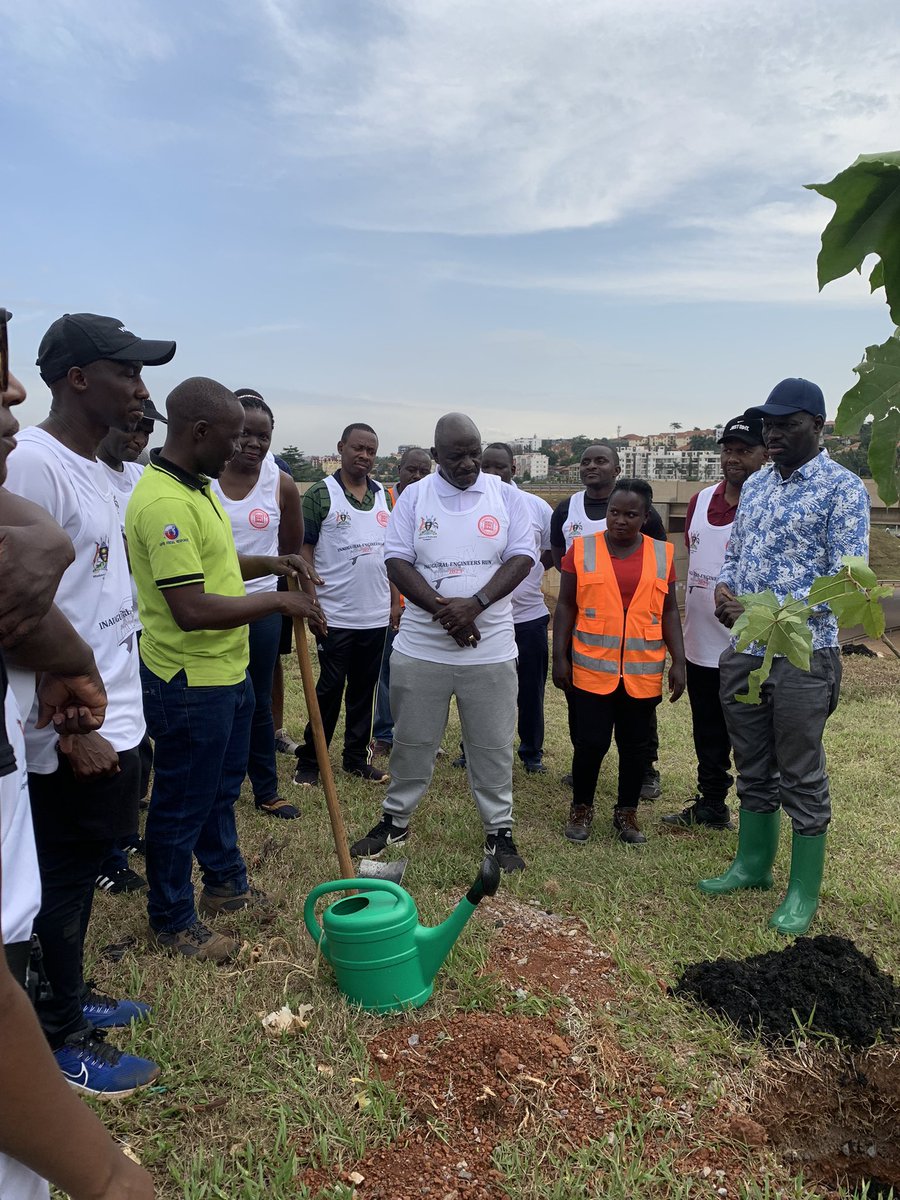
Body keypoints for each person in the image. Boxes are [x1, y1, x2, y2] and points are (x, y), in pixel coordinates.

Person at [4, 312, 171, 1096]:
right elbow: (19, 609)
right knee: (61, 881)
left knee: (80, 874)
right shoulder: (32, 464)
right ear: (77, 379)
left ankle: (67, 996)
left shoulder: (98, 469)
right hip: (62, 731)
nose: (141, 391)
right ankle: (59, 1034)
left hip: (116, 710)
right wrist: (68, 736)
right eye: (126, 373)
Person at [126, 377, 324, 963]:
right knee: (183, 800)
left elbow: (213, 560)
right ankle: (172, 918)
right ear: (200, 432)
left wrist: (269, 561)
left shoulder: (197, 487)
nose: (243, 449)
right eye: (234, 438)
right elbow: (190, 609)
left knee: (218, 789)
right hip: (189, 681)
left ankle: (224, 882)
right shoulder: (163, 501)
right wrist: (279, 601)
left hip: (228, 672)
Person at [700, 379, 870, 935]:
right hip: (745, 649)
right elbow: (739, 554)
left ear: (818, 426)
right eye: (768, 424)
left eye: (787, 424)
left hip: (802, 653)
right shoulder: (757, 487)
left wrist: (769, 611)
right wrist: (726, 595)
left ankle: (802, 890)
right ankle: (752, 865)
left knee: (799, 770)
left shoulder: (841, 490)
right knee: (751, 762)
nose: (772, 434)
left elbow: (848, 583)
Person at [350, 413, 535, 872]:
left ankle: (499, 830)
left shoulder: (505, 495)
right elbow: (395, 560)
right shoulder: (413, 497)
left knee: (492, 744)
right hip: (421, 647)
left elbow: (523, 557)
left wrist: (474, 604)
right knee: (412, 739)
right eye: (457, 456)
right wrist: (443, 610)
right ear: (436, 457)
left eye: (475, 452)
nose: (470, 463)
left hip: (489, 648)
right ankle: (395, 819)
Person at [552, 479, 685, 845]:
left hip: (641, 674)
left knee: (635, 747)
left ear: (645, 517)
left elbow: (669, 610)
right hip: (592, 670)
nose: (620, 520)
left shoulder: (663, 554)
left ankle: (626, 812)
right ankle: (581, 808)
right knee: (590, 744)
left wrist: (679, 661)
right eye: (614, 512)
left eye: (631, 514)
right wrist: (559, 656)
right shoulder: (581, 550)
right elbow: (565, 606)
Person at [662, 416, 768, 830]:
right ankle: (711, 804)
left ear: (765, 454)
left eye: (744, 450)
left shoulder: (766, 507)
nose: (733, 458)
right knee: (707, 731)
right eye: (728, 449)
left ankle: (758, 812)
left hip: (750, 648)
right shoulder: (701, 501)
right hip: (702, 645)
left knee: (750, 734)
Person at [550, 443, 668, 799]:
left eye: (601, 460)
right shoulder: (566, 510)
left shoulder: (646, 515)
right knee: (584, 710)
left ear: (616, 468)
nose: (591, 466)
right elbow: (560, 557)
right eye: (585, 461)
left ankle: (646, 770)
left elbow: (656, 568)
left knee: (638, 715)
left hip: (635, 644)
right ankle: (584, 769)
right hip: (590, 631)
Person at [213, 390, 305, 820]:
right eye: (245, 434)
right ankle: (219, 789)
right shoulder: (204, 477)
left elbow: (288, 550)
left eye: (263, 436)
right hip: (209, 607)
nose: (254, 443)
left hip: (262, 607)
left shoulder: (280, 482)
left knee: (257, 702)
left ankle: (266, 789)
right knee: (220, 701)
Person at [292, 424, 393, 787]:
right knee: (330, 689)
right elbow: (305, 551)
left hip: (375, 615)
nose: (364, 456)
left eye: (371, 451)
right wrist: (311, 603)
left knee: (364, 691)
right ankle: (311, 759)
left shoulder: (384, 496)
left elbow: (393, 554)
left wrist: (394, 602)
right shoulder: (321, 495)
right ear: (341, 448)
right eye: (358, 448)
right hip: (335, 615)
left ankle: (355, 759)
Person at [93, 399, 165, 895]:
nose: (138, 438)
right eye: (131, 427)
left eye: (145, 430)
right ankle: (106, 856)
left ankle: (125, 832)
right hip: (96, 635)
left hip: (138, 626)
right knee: (110, 747)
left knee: (139, 742)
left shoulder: (139, 481)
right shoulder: (88, 475)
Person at [477, 443, 554, 774]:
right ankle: (475, 748)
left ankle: (531, 751)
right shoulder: (471, 505)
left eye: (501, 468)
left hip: (528, 617)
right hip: (485, 618)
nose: (494, 474)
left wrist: (528, 576)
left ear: (514, 470)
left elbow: (550, 552)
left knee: (531, 690)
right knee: (480, 689)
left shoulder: (536, 507)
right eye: (487, 468)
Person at [370, 446, 433, 758]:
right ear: (399, 469)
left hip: (425, 605)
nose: (417, 476)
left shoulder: (433, 501)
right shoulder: (383, 501)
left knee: (424, 675)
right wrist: (395, 601)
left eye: (424, 470)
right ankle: (383, 734)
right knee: (388, 672)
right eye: (411, 469)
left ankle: (421, 736)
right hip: (392, 603)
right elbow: (390, 556)